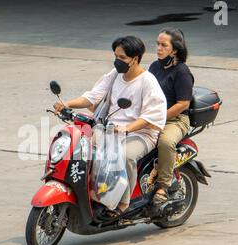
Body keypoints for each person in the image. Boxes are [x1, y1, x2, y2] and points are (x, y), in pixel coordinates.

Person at [54, 36, 166, 216]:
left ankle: (123, 203)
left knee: (124, 155)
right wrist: (67, 104)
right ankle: (93, 192)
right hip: (109, 130)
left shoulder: (148, 81)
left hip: (141, 133)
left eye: (122, 58)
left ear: (135, 59)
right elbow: (92, 96)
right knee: (81, 148)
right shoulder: (115, 75)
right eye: (115, 56)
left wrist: (127, 128)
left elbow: (151, 116)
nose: (117, 61)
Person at [148, 27, 194, 206]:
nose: (158, 48)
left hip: (176, 120)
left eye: (163, 45)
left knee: (165, 142)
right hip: (152, 117)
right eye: (157, 44)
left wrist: (159, 118)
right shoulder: (154, 66)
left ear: (174, 49)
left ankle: (163, 187)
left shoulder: (182, 72)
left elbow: (183, 104)